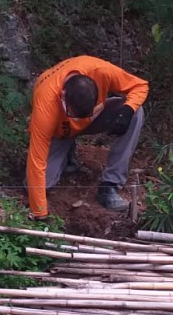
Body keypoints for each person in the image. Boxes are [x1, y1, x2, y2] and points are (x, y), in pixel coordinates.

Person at [26, 55, 149, 219]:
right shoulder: (45, 106)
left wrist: (127, 111)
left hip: (93, 119)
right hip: (60, 131)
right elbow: (36, 161)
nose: (79, 119)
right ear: (63, 95)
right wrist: (39, 212)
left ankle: (110, 184)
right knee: (35, 185)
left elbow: (140, 86)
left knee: (136, 112)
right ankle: (66, 153)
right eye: (75, 115)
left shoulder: (101, 71)